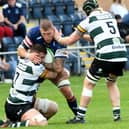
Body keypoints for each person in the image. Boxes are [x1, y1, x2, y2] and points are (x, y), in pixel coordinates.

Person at [54, 0, 127, 123]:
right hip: (121, 53)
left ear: (87, 11)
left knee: (88, 83)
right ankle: (117, 115)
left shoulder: (88, 21)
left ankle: (80, 117)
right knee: (111, 83)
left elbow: (70, 41)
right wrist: (82, 35)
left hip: (106, 53)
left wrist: (58, 37)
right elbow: (97, 36)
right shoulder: (110, 16)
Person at [17, 19, 78, 120]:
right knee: (28, 96)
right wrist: (29, 55)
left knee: (66, 89)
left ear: (53, 30)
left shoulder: (60, 40)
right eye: (43, 34)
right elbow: (20, 50)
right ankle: (23, 117)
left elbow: (58, 68)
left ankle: (78, 116)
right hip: (35, 69)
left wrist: (42, 62)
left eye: (49, 33)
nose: (46, 37)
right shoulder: (33, 33)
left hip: (50, 68)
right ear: (40, 31)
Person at [0, 43, 58, 128]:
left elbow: (20, 49)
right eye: (39, 57)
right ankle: (11, 125)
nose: (41, 60)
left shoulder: (22, 58)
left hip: (26, 101)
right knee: (42, 122)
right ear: (33, 54)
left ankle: (28, 119)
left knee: (53, 108)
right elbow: (54, 75)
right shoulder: (36, 68)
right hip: (17, 106)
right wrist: (58, 61)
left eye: (43, 57)